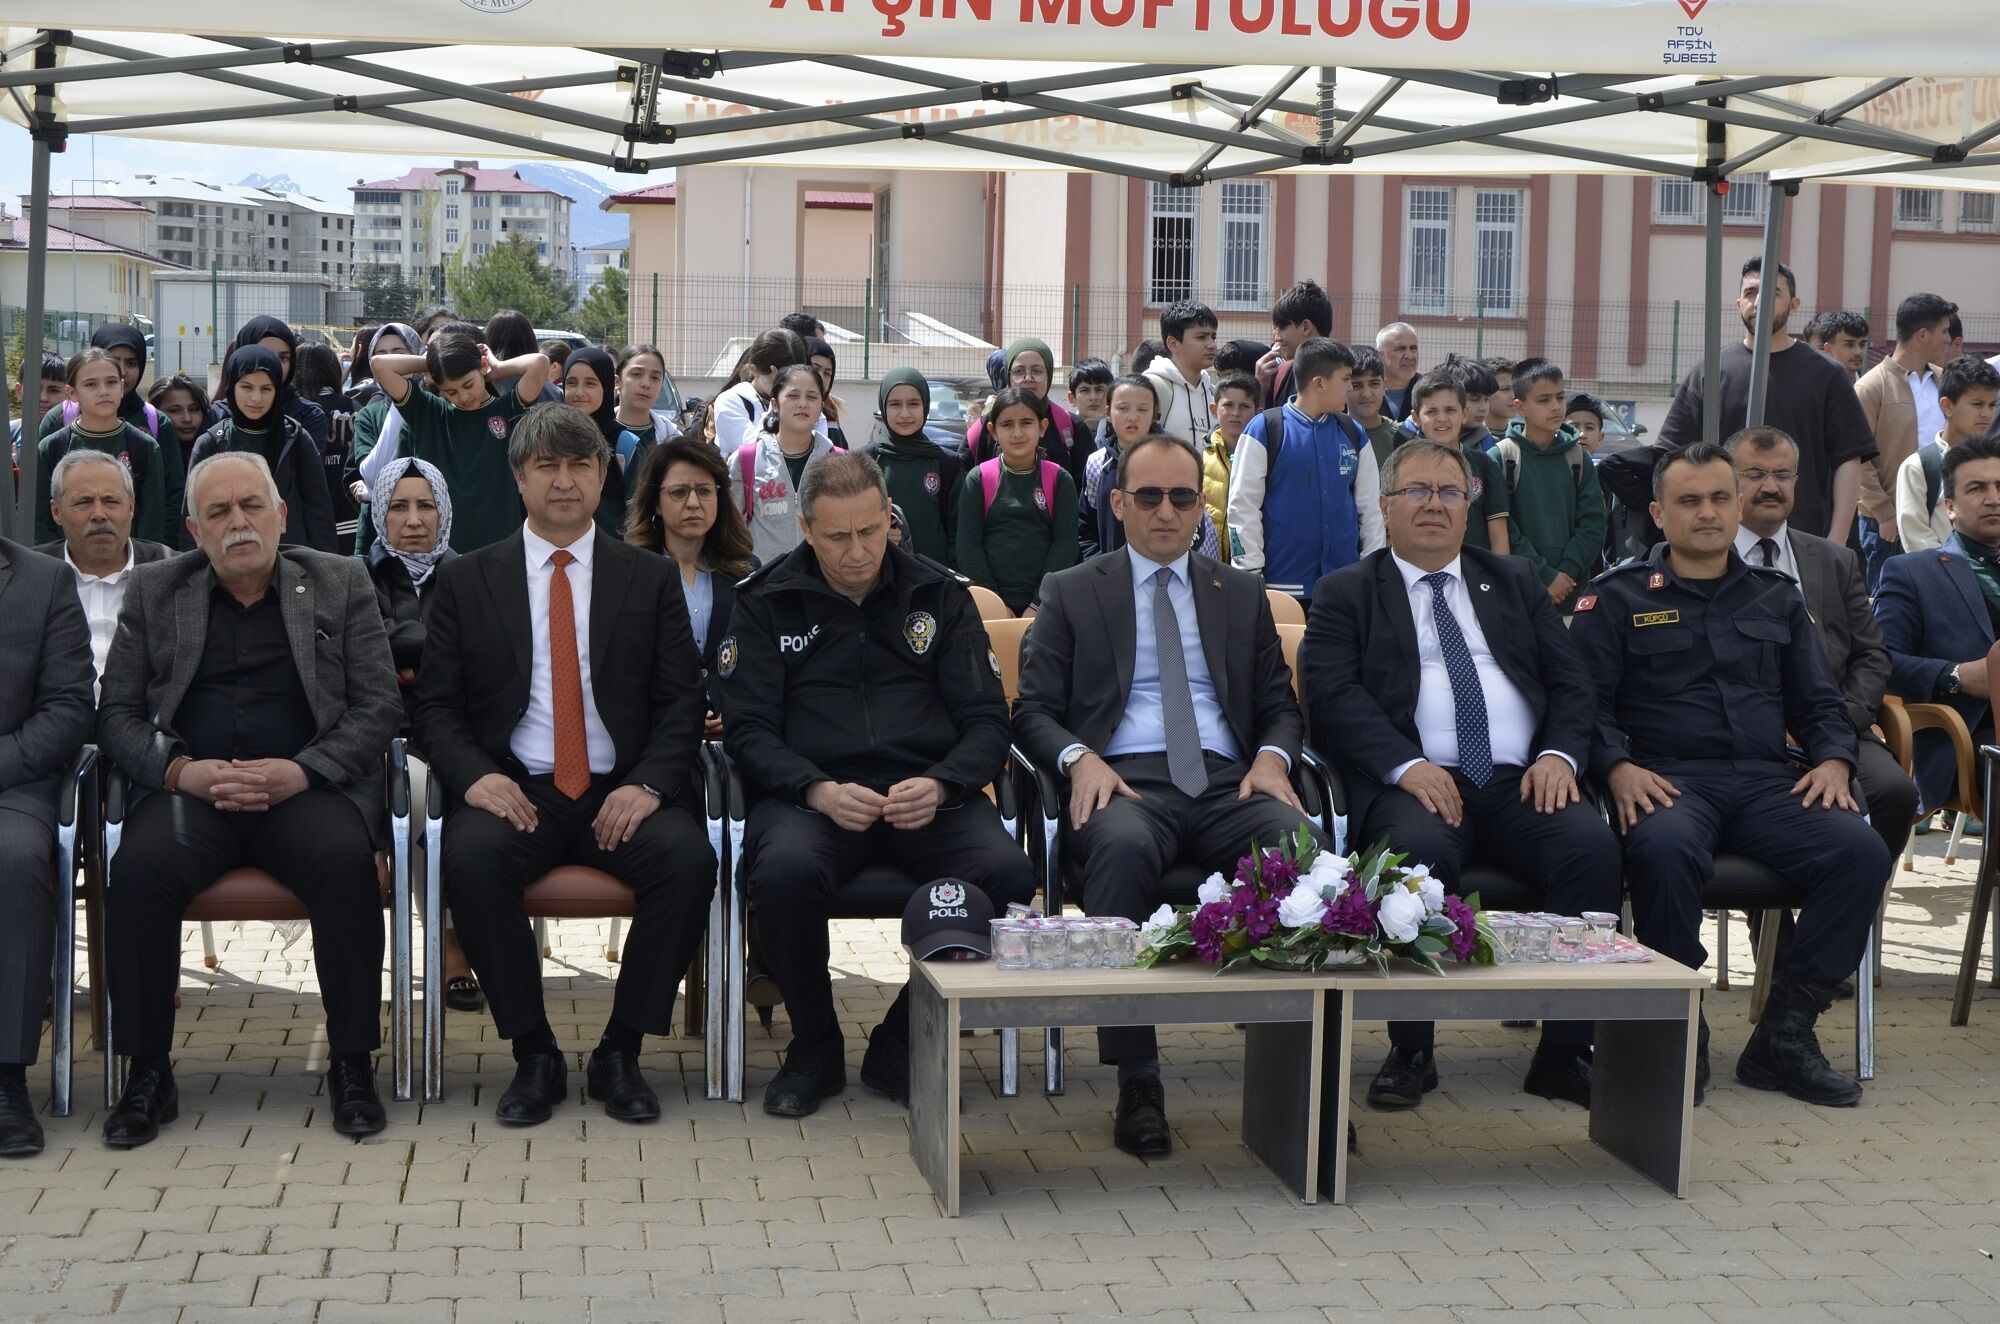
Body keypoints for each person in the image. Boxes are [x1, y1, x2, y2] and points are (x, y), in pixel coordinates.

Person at [1014, 432, 1317, 1155]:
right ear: (1117, 504)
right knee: (1118, 853)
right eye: (1148, 496)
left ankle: (1295, 1069)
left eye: (1183, 497)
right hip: (1122, 780)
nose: (1166, 512)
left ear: (1199, 509)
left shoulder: (1241, 593)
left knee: (1300, 850)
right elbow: (1031, 710)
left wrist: (1275, 759)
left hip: (1226, 779)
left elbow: (1280, 704)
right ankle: (1138, 1078)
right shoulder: (1071, 590)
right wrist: (1080, 759)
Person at [414, 405, 716, 1126]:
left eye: (579, 464)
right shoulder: (466, 582)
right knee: (471, 858)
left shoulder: (647, 578)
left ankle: (621, 1049)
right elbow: (435, 711)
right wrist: (476, 779)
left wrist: (648, 784)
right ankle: (535, 1052)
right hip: (518, 789)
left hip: (624, 789)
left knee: (688, 861)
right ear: (518, 477)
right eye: (546, 465)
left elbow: (683, 701)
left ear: (603, 473)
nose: (563, 480)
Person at [1303, 437, 1619, 1110]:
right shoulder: (1346, 591)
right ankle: (1412, 1048)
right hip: (1413, 782)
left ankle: (1566, 1051)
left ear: (1471, 506)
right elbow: (1331, 695)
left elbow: (1573, 684)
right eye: (1417, 492)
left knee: (1591, 848)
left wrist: (1560, 756)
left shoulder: (1511, 581)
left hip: (1521, 780)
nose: (1435, 506)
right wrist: (1405, 763)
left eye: (1451, 493)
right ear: (1385, 507)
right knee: (1414, 859)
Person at [1571, 442, 1890, 1107]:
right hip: (1667, 781)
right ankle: (1677, 1028)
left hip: (1765, 781)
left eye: (1720, 498)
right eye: (1689, 501)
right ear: (1659, 513)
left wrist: (1835, 757)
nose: (1708, 513)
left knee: (1859, 850)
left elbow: (1819, 700)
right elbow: (1583, 705)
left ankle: (1786, 1032)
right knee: (1662, 850)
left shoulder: (1775, 600)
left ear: (1739, 505)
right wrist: (1617, 766)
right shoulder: (1618, 598)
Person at [98, 452, 402, 1146]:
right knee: (138, 873)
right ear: (193, 530)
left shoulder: (339, 580)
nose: (238, 523)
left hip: (302, 786)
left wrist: (305, 770)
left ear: (281, 515)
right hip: (193, 795)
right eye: (219, 513)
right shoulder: (154, 590)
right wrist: (181, 773)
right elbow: (115, 714)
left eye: (251, 507)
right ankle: (147, 1072)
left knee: (346, 865)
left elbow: (378, 706)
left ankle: (352, 1063)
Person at [720, 452, 1036, 1116]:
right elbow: (748, 732)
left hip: (926, 795)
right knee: (778, 877)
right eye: (838, 537)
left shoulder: (939, 594)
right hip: (815, 800)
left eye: (872, 530)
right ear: (807, 529)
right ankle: (815, 1045)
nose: (859, 550)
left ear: (888, 517)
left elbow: (985, 720)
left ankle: (900, 1038)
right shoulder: (763, 603)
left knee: (1007, 875)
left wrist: (945, 784)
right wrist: (814, 788)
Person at [1729, 426, 1919, 870]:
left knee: (1894, 793)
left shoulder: (1835, 560)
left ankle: (1847, 925)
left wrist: (1836, 722)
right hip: (1741, 733)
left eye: (1783, 474)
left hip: (1836, 723)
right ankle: (1777, 936)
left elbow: (1872, 656)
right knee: (1764, 802)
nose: (1771, 486)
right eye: (1754, 474)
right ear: (1729, 481)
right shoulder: (1700, 557)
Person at [364, 456, 482, 1012]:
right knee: (415, 800)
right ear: (379, 514)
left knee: (457, 792)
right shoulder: (357, 576)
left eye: (426, 505)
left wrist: (407, 656)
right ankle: (450, 943)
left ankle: (452, 938)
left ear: (444, 511)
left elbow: (478, 656)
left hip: (457, 733)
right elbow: (364, 648)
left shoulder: (472, 573)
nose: (413, 520)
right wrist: (435, 650)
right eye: (398, 506)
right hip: (384, 740)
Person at [1656, 257, 1876, 544]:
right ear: (1738, 304)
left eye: (1772, 292)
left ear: (1794, 304)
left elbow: (1849, 459)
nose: (1758, 301)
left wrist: (1836, 540)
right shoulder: (1710, 370)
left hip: (1802, 538)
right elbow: (1672, 456)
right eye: (1750, 293)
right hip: (1721, 543)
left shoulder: (1827, 374)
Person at [0, 523, 94, 1158]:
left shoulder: (43, 580)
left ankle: (5, 1078)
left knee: (15, 861)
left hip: (16, 781)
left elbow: (67, 710)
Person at [1875, 434, 2000, 815]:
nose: (1993, 497)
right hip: (1971, 733)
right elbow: (1881, 661)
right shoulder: (1913, 573)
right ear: (1949, 506)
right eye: (1977, 488)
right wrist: (1957, 675)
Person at [369, 331, 551, 553]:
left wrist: (497, 368)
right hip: (443, 548)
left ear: (483, 367)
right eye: (451, 391)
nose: (463, 397)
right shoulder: (428, 412)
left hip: (501, 544)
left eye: (468, 384)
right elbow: (380, 365)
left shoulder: (506, 409)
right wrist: (435, 361)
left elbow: (540, 363)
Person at [626, 436, 756, 738]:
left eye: (704, 491)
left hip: (734, 736)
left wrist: (736, 710)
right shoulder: (631, 574)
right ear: (656, 502)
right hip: (657, 734)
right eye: (679, 492)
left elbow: (758, 661)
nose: (694, 503)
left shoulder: (748, 573)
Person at [1225, 337, 1364, 601]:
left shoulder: (1353, 433)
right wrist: (1250, 574)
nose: (1351, 389)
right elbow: (1242, 506)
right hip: (1281, 588)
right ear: (1319, 383)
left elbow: (1369, 510)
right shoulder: (1265, 429)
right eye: (1346, 379)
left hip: (1345, 587)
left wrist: (1370, 570)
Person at [35, 449, 172, 689]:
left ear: (131, 507)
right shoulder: (29, 576)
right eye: (83, 502)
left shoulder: (172, 572)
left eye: (111, 501)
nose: (99, 514)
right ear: (56, 512)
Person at [189, 346, 339, 553]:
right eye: (247, 387)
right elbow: (192, 515)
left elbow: (319, 511)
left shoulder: (296, 439)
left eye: (266, 389)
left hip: (292, 563)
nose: (256, 398)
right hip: (227, 560)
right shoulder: (211, 443)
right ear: (232, 386)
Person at [1855, 293, 1958, 588]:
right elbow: (1858, 458)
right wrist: (1885, 514)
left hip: (1940, 516)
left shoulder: (1944, 381)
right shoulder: (1871, 387)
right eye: (1944, 331)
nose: (1948, 339)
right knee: (1889, 604)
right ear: (1923, 335)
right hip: (1886, 526)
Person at [955, 388, 1080, 614]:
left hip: (1047, 606)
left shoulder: (1060, 479)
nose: (1017, 433)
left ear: (1042, 427)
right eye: (1007, 424)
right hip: (990, 606)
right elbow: (968, 546)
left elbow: (1065, 546)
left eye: (1026, 423)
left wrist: (1038, 603)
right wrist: (994, 602)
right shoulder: (978, 478)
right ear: (993, 431)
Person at [1495, 358, 1605, 613]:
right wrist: (1544, 575)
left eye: (1560, 397)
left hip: (1573, 593)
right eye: (1543, 400)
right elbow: (1504, 528)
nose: (1555, 407)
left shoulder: (1579, 459)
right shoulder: (1502, 458)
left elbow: (1593, 524)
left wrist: (1565, 574)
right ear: (1519, 406)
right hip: (1521, 594)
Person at [1080, 375, 1221, 562]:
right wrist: (1100, 567)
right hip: (1111, 578)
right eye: (1122, 408)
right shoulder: (1096, 464)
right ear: (1108, 412)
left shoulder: (1177, 461)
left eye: (1143, 409)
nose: (1132, 417)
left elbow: (1196, 522)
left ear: (1154, 414)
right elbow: (1085, 526)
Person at [35, 349, 168, 546]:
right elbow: (40, 520)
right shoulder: (51, 447)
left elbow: (152, 523)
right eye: (91, 384)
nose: (104, 391)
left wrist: (141, 568)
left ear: (122, 387)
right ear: (72, 393)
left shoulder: (145, 447)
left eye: (112, 382)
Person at [736, 364, 842, 566]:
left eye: (812, 397)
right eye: (793, 396)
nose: (803, 404)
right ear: (775, 404)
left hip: (822, 583)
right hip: (763, 583)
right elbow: (729, 525)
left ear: (821, 406)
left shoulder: (837, 461)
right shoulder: (747, 458)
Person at [1898, 355, 2000, 553]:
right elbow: (1916, 538)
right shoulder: (1919, 466)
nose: (1987, 414)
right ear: (1947, 406)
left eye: (1992, 405)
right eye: (1977, 404)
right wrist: (1960, 572)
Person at [1408, 369, 1509, 554]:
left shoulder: (1484, 465)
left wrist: (1499, 575)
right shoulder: (1404, 466)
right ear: (1416, 418)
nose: (1442, 418)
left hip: (1474, 572)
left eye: (1450, 410)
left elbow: (1498, 532)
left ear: (1464, 413)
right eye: (1431, 411)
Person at [868, 368, 962, 567]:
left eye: (913, 404)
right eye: (895, 404)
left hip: (934, 577)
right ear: (883, 407)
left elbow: (957, 531)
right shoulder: (866, 460)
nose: (904, 413)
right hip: (878, 575)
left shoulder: (947, 463)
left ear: (925, 406)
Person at [967, 338, 1085, 491]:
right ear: (1008, 376)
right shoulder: (985, 425)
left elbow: (1085, 492)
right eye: (1019, 371)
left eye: (1037, 371)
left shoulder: (1071, 426)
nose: (1028, 378)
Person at [223, 317, 330, 454]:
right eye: (263, 354)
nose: (274, 364)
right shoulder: (218, 416)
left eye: (283, 358)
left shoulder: (308, 416)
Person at [557, 347, 631, 538]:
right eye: (571, 383)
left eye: (590, 383)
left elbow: (637, 509)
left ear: (606, 387)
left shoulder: (625, 443)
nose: (579, 392)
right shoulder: (554, 438)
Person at [711, 329, 819, 456]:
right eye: (776, 380)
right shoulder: (730, 402)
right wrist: (778, 401)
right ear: (755, 370)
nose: (786, 386)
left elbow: (817, 448)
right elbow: (754, 452)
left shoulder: (808, 402)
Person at [1349, 347, 1403, 556]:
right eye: (1356, 385)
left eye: (1374, 384)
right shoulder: (1330, 434)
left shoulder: (1404, 440)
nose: (1366, 394)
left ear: (1385, 385)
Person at [1144, 300, 1219, 448]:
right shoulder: (1151, 387)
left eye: (1213, 337)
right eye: (1201, 337)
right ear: (1173, 343)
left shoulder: (1214, 393)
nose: (1212, 345)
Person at [1203, 372, 1258, 548]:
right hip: (1210, 555)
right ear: (1214, 410)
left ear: (1258, 413)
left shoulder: (1266, 458)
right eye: (1228, 405)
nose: (1236, 413)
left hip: (1252, 556)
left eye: (1244, 406)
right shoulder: (1199, 458)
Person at [610, 344, 682, 479]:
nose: (646, 384)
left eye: (655, 378)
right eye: (636, 374)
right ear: (617, 381)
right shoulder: (599, 432)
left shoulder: (673, 438)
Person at [1258, 278, 1333, 406]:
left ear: (1306, 328)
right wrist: (1262, 390)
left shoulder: (1339, 372)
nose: (1277, 338)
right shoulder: (1282, 372)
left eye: (1282, 328)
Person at [147, 373, 210, 478]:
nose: (187, 419)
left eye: (193, 409)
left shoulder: (213, 448)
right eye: (175, 411)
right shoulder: (146, 453)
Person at [805, 336, 851, 449]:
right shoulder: (780, 412)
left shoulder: (830, 424)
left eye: (827, 373)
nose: (820, 377)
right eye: (815, 369)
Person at [1376, 322, 1420, 422]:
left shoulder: (1429, 390)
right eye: (1400, 349)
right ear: (1381, 356)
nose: (1409, 355)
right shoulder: (1365, 389)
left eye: (1413, 349)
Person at [1065, 358, 1114, 439]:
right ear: (1072, 398)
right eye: (1085, 390)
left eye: (1099, 390)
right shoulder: (1063, 431)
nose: (1093, 397)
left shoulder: (1121, 430)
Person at [1814, 310, 1871, 378]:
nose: (1858, 352)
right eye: (1849, 345)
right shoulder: (1814, 385)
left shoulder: (1871, 385)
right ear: (1828, 349)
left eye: (1862, 345)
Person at [1482, 355, 1518, 438]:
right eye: (1505, 389)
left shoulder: (1521, 437)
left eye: (1516, 388)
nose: (1514, 396)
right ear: (1485, 393)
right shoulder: (1471, 441)